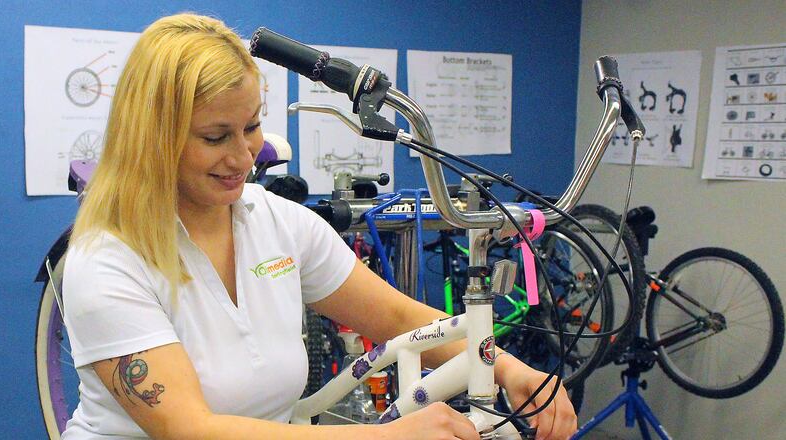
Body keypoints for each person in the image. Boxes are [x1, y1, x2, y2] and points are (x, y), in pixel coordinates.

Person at [61, 13, 577, 440]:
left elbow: (396, 316)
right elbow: (190, 429)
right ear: (154, 138)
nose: (244, 156)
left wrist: (510, 369)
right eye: (216, 137)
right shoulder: (108, 258)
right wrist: (385, 436)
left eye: (251, 126)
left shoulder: (274, 221)